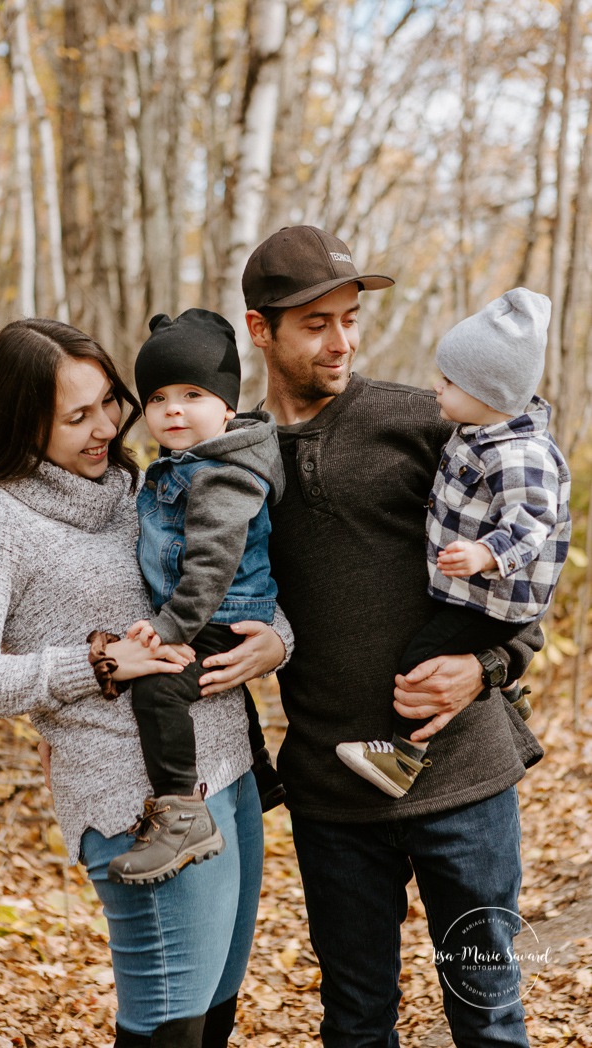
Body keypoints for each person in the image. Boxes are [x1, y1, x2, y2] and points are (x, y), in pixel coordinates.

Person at [0, 318, 294, 1048]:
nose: (104, 429)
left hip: (229, 774)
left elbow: (232, 572)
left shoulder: (141, 483)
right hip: (135, 806)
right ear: (21, 420)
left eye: (108, 404)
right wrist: (94, 664)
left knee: (214, 1013)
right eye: (76, 416)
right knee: (167, 1029)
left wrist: (275, 641)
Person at [243, 224, 545, 1047]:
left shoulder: (426, 423)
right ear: (258, 328)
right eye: (316, 324)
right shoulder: (231, 454)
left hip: (463, 785)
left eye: (350, 318)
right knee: (354, 1020)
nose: (341, 341)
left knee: (487, 1013)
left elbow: (527, 569)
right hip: (333, 796)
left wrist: (483, 667)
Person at [336, 288, 571, 798]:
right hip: (482, 589)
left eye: (449, 381)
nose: (435, 388)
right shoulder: (478, 432)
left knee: (423, 655)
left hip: (493, 593)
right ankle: (514, 692)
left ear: (489, 393)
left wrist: (486, 554)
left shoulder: (517, 454)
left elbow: (533, 522)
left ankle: (403, 757)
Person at [98, 307, 285, 884]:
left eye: (192, 394)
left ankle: (180, 811)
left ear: (227, 406)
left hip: (220, 616)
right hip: (213, 613)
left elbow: (211, 562)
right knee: (201, 684)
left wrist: (174, 625)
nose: (171, 409)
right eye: (156, 398)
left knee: (158, 688)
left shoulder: (223, 474)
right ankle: (261, 771)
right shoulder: (187, 464)